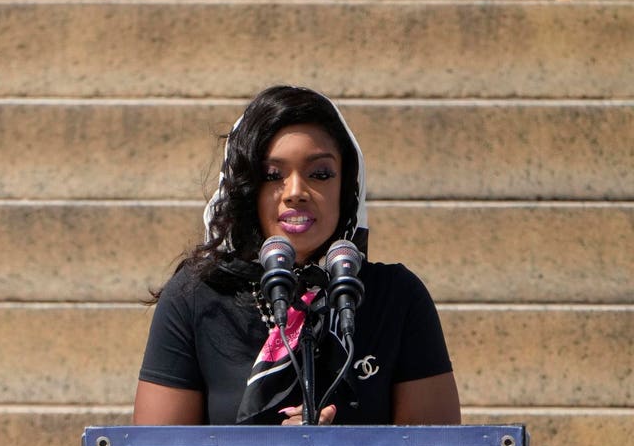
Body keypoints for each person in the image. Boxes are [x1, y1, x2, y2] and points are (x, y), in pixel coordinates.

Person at [134, 85, 460, 427]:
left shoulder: (396, 297)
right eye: (272, 176)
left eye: (320, 174)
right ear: (246, 188)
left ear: (347, 187)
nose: (295, 193)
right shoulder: (196, 297)